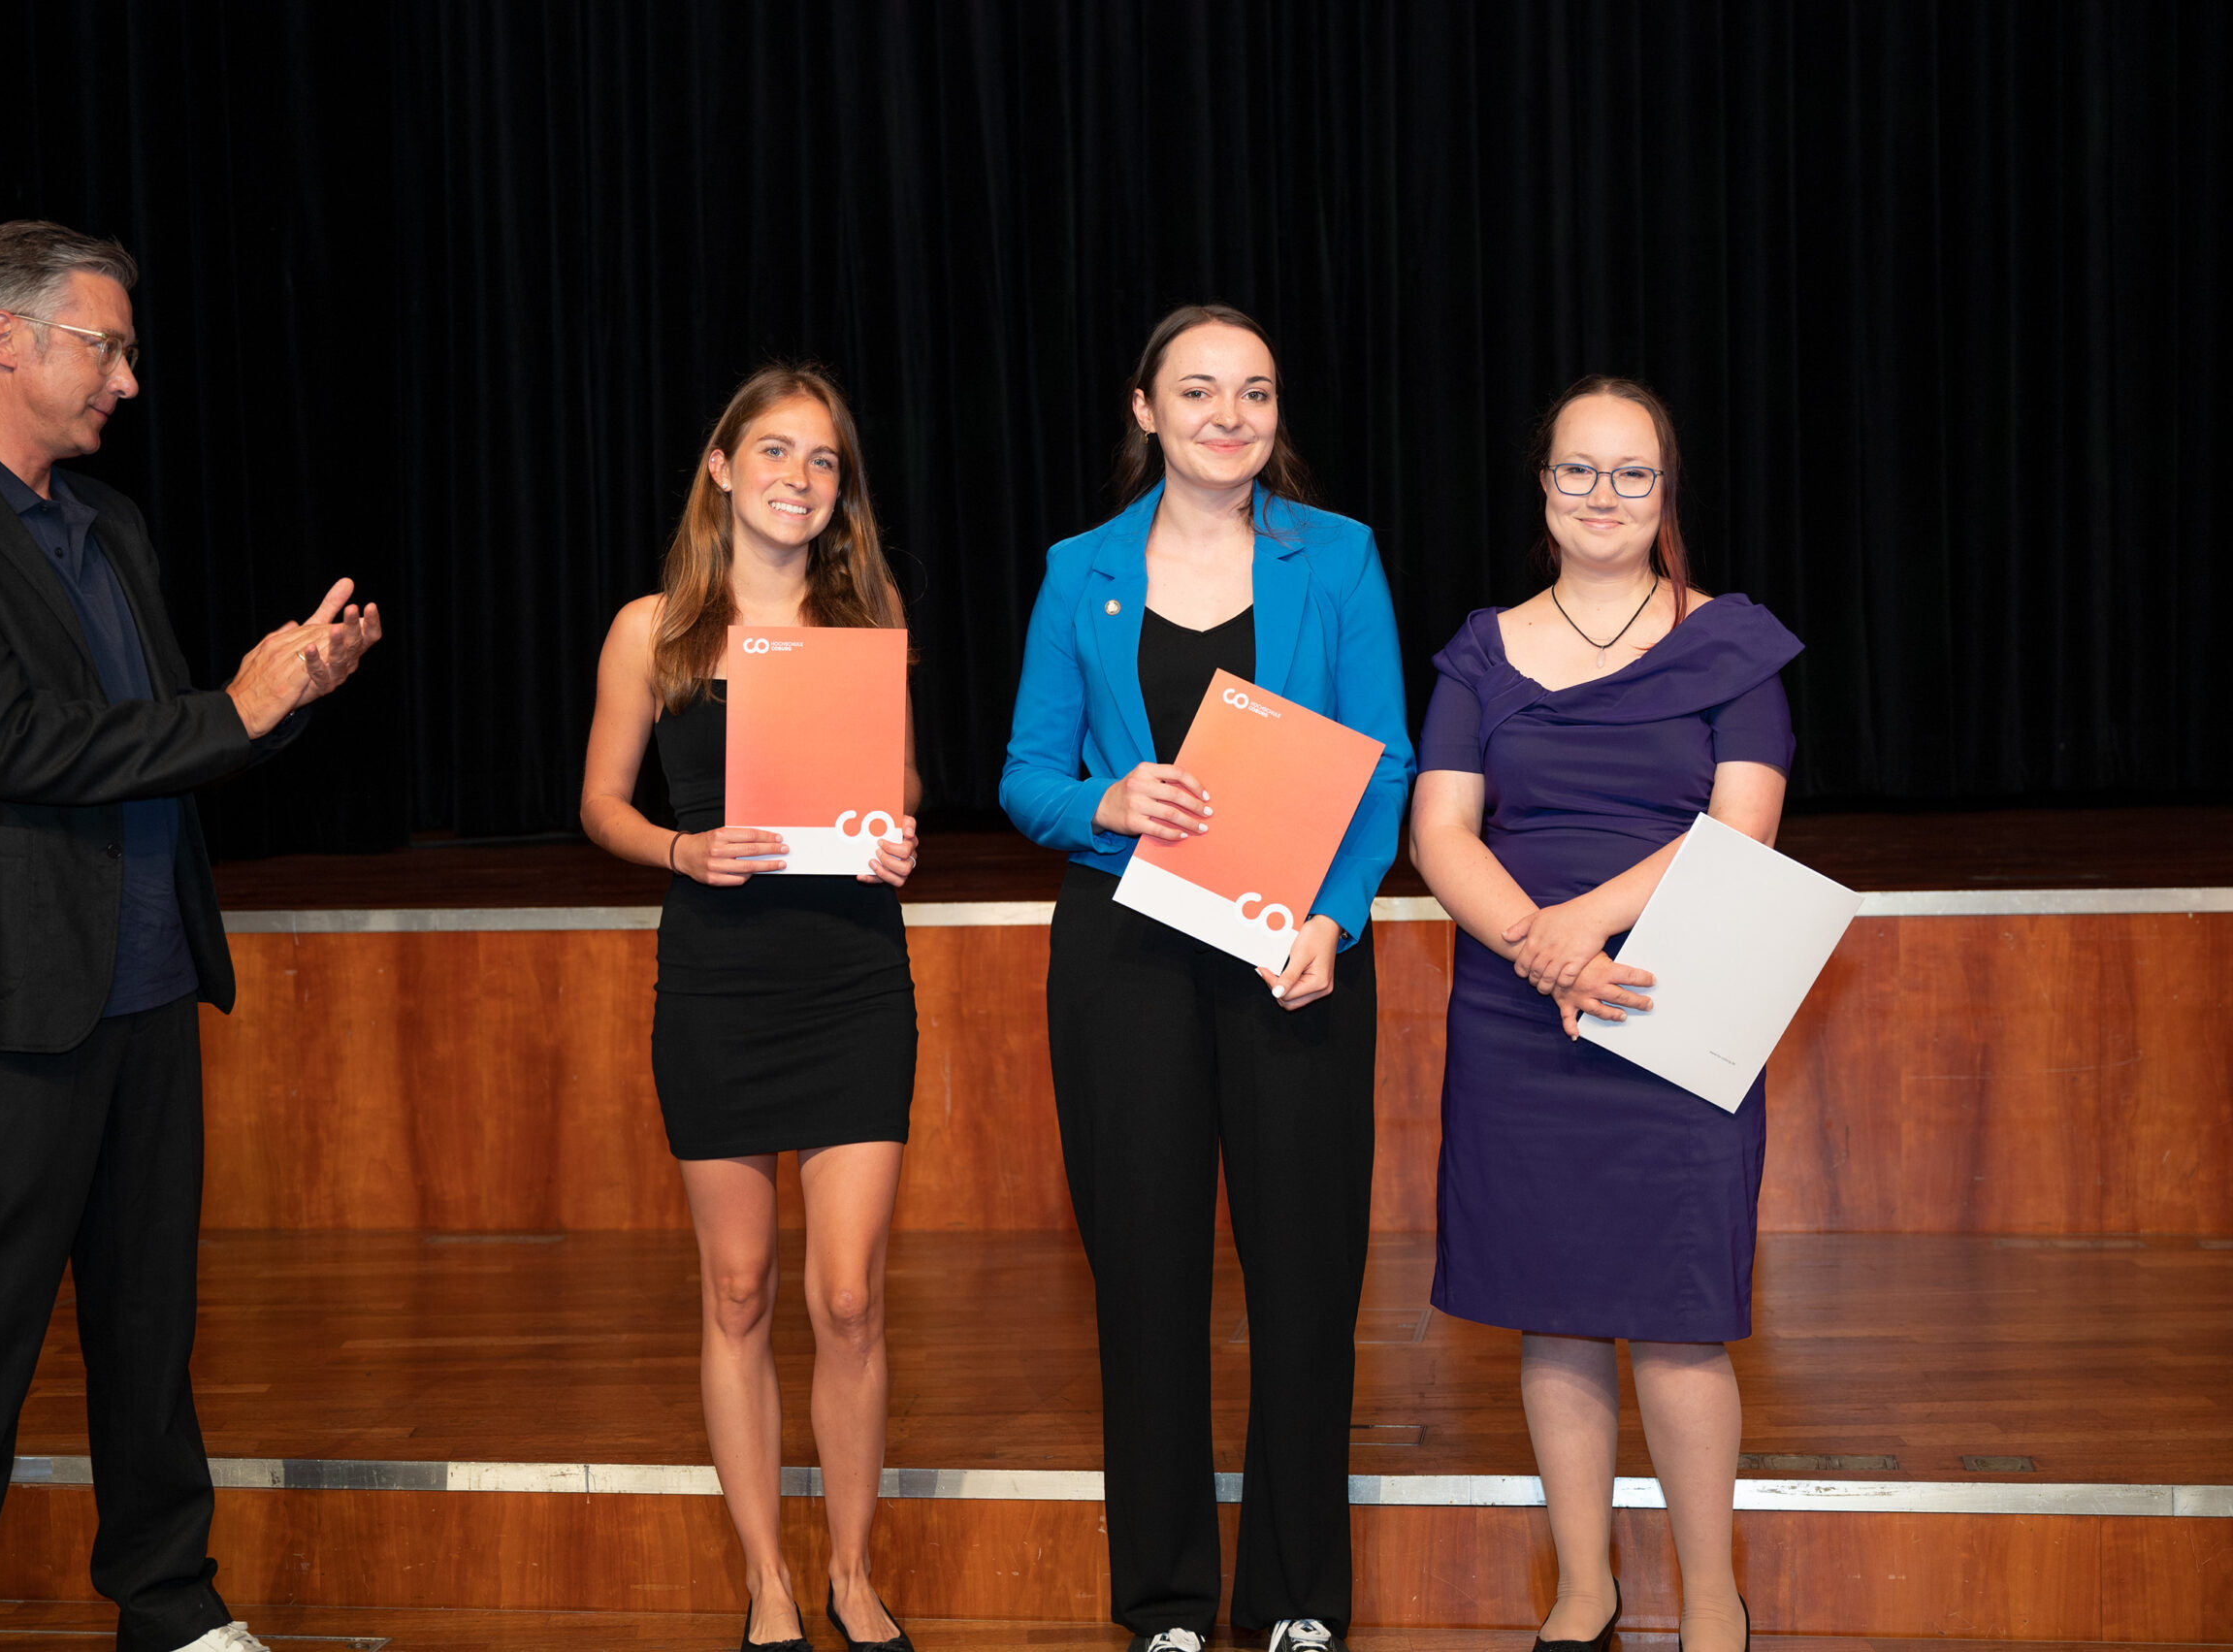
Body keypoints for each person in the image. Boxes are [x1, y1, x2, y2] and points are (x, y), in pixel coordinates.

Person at [0, 220, 382, 1652]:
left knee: (150, 1333)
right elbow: (10, 741)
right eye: (106, 343)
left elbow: (154, 746)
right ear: (4, 341)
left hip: (141, 988)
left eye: (125, 349)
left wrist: (288, 693)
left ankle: (172, 1609)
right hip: (0, 1011)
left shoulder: (108, 525)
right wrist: (235, 709)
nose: (126, 379)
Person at [999, 306, 1413, 1652]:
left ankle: (1299, 1596)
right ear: (1145, 411)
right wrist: (1103, 803)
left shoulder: (1338, 559)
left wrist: (1338, 921)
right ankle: (1166, 1602)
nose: (1230, 415)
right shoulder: (1079, 570)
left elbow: (1383, 763)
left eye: (1255, 392)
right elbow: (1023, 779)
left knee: (1305, 1277)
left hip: (1292, 954)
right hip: (1125, 958)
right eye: (1199, 392)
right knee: (1147, 1279)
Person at [1408, 376, 1800, 1652]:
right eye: (1580, 470)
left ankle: (1713, 1601)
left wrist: (1582, 930)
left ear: (1665, 492)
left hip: (1680, 999)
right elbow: (1440, 833)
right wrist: (1540, 946)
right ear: (1542, 485)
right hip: (1523, 1010)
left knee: (1682, 1319)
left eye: (1632, 474)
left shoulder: (1734, 644)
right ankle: (1584, 1589)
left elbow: (1741, 826)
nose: (1604, 497)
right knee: (1554, 1309)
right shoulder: (1480, 649)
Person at [579, 365, 922, 1652]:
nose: (798, 477)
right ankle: (767, 1581)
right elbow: (602, 805)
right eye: (773, 452)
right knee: (736, 1289)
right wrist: (679, 850)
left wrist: (897, 837)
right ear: (721, 466)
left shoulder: (869, 619)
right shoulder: (651, 628)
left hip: (851, 980)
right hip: (719, 982)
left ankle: (850, 1569)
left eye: (823, 460)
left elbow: (899, 788)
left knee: (848, 1298)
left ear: (842, 492)